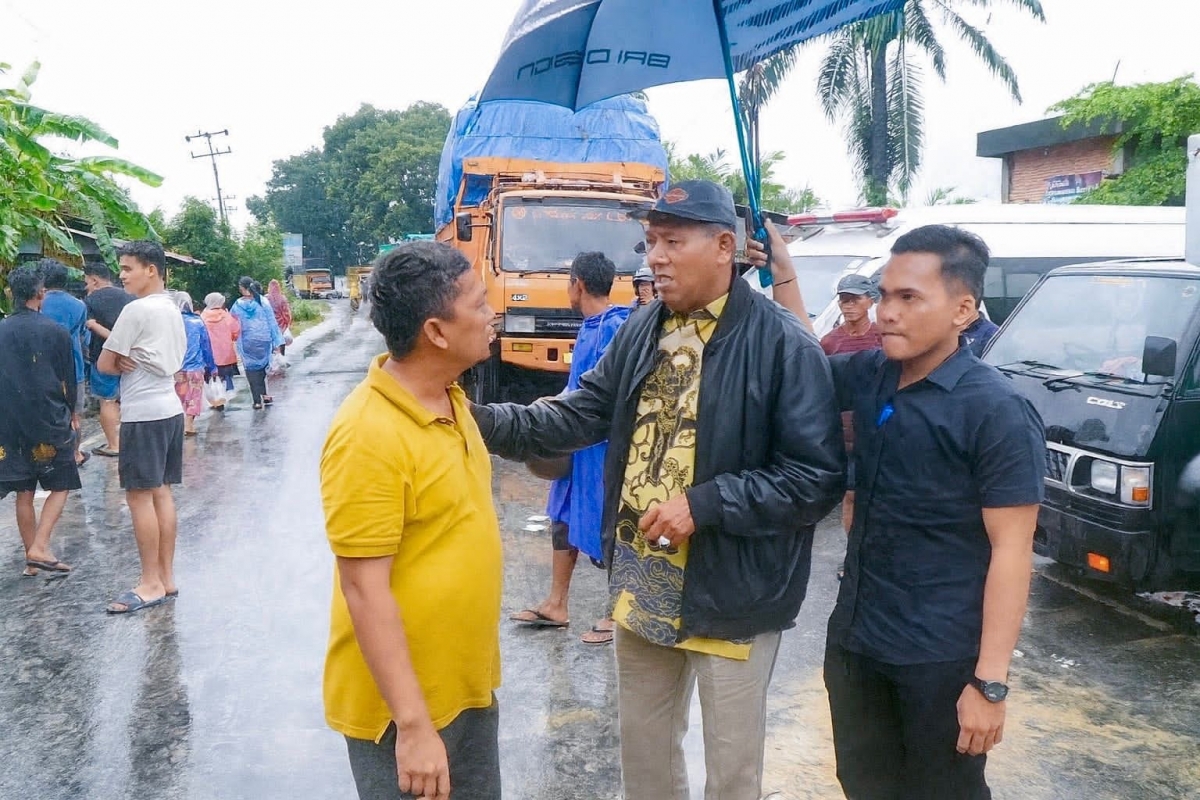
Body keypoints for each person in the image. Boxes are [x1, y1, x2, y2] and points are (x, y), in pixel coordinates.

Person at [473, 180, 844, 800]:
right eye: (650, 242)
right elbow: (580, 412)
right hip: (643, 584)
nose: (656, 258)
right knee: (644, 761)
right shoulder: (644, 327)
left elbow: (815, 478)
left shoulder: (783, 343)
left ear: (724, 246)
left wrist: (706, 504)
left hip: (732, 594)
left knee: (731, 775)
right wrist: (482, 421)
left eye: (672, 242)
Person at [755, 225, 1044, 798]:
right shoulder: (873, 374)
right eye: (885, 295)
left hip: (939, 660)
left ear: (963, 310)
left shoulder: (996, 410)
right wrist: (783, 273)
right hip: (857, 643)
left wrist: (990, 683)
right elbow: (804, 361)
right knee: (865, 785)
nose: (887, 311)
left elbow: (1013, 552)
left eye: (909, 297)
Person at [321, 241, 502, 800]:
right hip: (403, 713)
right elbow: (363, 587)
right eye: (479, 303)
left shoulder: (451, 401)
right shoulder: (367, 434)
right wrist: (415, 726)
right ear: (436, 332)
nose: (493, 312)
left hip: (465, 688)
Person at [510, 251, 630, 645]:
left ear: (577, 284)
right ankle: (556, 604)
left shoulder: (617, 327)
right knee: (561, 516)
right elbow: (576, 386)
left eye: (568, 283)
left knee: (608, 522)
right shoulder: (588, 327)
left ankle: (617, 614)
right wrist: (550, 408)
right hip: (577, 442)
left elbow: (610, 395)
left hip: (603, 446)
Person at [97, 240, 187, 615]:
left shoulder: (136, 310)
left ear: (151, 270)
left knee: (139, 497)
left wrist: (121, 358)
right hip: (170, 410)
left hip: (143, 415)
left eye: (127, 268)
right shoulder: (172, 307)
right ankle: (165, 577)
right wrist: (125, 357)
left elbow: (104, 364)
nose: (122, 275)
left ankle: (149, 582)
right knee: (161, 492)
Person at [0, 266, 82, 576]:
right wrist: (72, 413)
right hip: (47, 418)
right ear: (41, 293)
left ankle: (31, 561)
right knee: (61, 483)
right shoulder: (56, 332)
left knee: (24, 490)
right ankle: (41, 546)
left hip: (8, 421)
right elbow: (68, 379)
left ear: (11, 293)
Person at [820, 273, 884, 580]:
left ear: (870, 301)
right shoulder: (829, 343)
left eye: (854, 299)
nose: (848, 305)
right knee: (851, 496)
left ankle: (880, 557)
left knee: (883, 496)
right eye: (843, 300)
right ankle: (854, 556)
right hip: (845, 437)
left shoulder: (884, 337)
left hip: (882, 432)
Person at [38, 259, 90, 467]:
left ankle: (45, 457)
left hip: (43, 367)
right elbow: (83, 337)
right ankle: (75, 454)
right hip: (74, 368)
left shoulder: (38, 303)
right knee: (74, 414)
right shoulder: (79, 305)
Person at [83, 261, 134, 457]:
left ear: (94, 280)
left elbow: (89, 326)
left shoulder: (91, 300)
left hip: (102, 357)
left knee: (108, 401)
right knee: (129, 399)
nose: (86, 286)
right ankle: (130, 442)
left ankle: (114, 445)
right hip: (131, 357)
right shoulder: (130, 296)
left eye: (87, 281)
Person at [230, 277, 284, 410]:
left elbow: (232, 322)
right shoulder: (263, 301)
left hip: (247, 341)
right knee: (263, 367)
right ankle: (265, 395)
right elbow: (272, 322)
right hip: (264, 340)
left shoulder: (237, 305)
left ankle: (257, 401)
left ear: (242, 288)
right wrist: (277, 342)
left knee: (251, 370)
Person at [173, 292, 217, 436]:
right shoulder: (197, 322)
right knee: (193, 396)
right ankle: (189, 424)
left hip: (175, 368)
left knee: (179, 396)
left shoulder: (171, 322)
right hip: (195, 367)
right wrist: (212, 367)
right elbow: (206, 346)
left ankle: (179, 424)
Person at [200, 292, 241, 399]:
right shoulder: (226, 316)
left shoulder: (202, 317)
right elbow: (236, 331)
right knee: (227, 378)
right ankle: (228, 394)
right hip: (226, 355)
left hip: (209, 355)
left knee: (211, 379)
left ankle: (215, 399)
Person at [266, 279, 293, 355]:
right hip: (281, 326)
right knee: (283, 341)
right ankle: (280, 354)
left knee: (272, 345)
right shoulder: (282, 298)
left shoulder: (266, 299)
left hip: (270, 326)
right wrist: (287, 324)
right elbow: (287, 314)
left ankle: (274, 354)